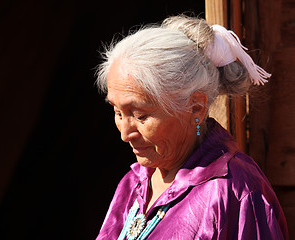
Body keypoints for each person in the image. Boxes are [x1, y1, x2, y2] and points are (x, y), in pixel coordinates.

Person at [95, 15, 288, 240]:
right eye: (118, 112)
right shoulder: (134, 183)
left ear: (195, 107)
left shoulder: (235, 192)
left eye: (141, 115)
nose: (125, 134)